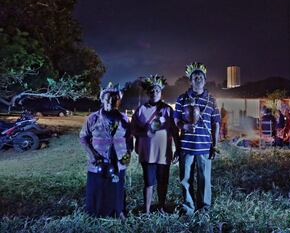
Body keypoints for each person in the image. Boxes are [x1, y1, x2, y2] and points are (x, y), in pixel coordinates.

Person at [174, 62, 220, 215]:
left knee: (204, 179)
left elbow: (216, 124)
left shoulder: (212, 100)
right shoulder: (181, 99)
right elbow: (176, 121)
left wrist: (215, 145)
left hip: (204, 147)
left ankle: (204, 207)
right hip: (186, 147)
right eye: (195, 76)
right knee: (185, 179)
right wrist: (184, 126)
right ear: (190, 80)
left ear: (205, 80)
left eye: (201, 76)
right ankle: (188, 207)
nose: (198, 78)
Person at [79, 82, 132, 218]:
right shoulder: (93, 118)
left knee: (117, 187)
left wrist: (127, 156)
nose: (111, 100)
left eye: (114, 98)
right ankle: (95, 213)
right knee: (98, 187)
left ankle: (118, 211)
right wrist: (92, 155)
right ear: (102, 99)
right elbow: (83, 138)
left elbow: (129, 139)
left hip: (118, 161)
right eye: (107, 97)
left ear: (118, 101)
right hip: (98, 161)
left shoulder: (124, 119)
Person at [131, 75, 179, 213]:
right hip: (147, 153)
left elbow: (175, 131)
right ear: (148, 93)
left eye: (157, 90)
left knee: (163, 182)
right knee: (148, 182)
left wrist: (178, 149)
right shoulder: (141, 110)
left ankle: (161, 206)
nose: (154, 93)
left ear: (161, 92)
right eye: (151, 91)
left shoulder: (168, 110)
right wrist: (144, 134)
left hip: (164, 153)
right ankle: (146, 210)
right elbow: (133, 130)